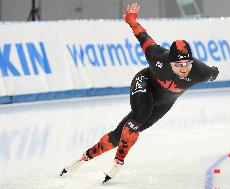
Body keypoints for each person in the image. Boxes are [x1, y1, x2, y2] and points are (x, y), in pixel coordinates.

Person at [60, 3, 219, 183]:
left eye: (187, 64)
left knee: (119, 135)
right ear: (169, 62)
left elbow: (214, 72)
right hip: (145, 82)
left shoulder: (201, 71)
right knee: (140, 114)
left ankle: (85, 157)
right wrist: (131, 19)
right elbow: (142, 35)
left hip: (165, 102)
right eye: (178, 65)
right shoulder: (157, 56)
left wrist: (214, 72)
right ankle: (119, 162)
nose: (184, 69)